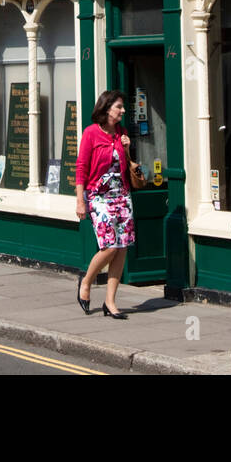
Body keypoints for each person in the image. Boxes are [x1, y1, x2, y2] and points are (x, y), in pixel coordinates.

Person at [74, 89, 137, 319]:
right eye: (119, 107)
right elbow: (81, 167)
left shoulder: (121, 132)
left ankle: (110, 302)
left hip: (122, 195)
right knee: (109, 246)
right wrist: (80, 200)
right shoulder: (91, 133)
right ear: (107, 108)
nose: (123, 111)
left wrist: (127, 148)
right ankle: (86, 282)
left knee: (121, 248)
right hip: (99, 197)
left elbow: (125, 165)